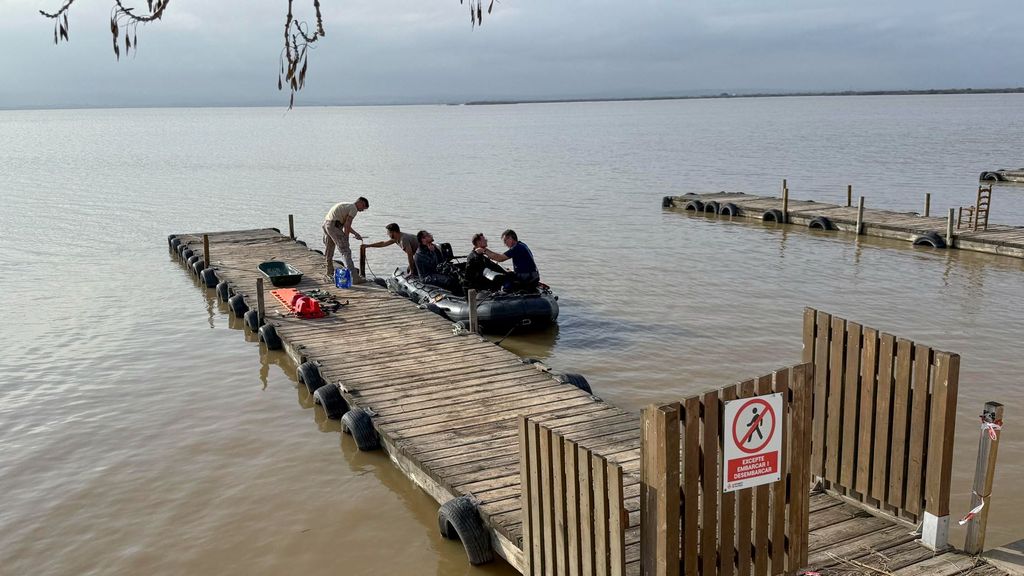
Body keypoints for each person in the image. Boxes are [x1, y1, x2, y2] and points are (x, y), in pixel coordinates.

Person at [475, 229, 540, 292]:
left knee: (502, 281)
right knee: (508, 273)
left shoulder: (517, 248)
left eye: (505, 241)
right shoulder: (521, 245)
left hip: (528, 278)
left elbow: (500, 258)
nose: (505, 243)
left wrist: (484, 250)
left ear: (510, 238)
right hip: (532, 275)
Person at [322, 197, 369, 283]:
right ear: (360, 203)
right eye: (363, 208)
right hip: (334, 227)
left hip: (327, 225)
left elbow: (345, 224)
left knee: (329, 250)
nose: (362, 211)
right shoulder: (353, 208)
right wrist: (346, 239)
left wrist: (355, 233)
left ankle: (329, 273)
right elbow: (347, 225)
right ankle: (354, 278)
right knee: (345, 251)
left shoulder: (346, 205)